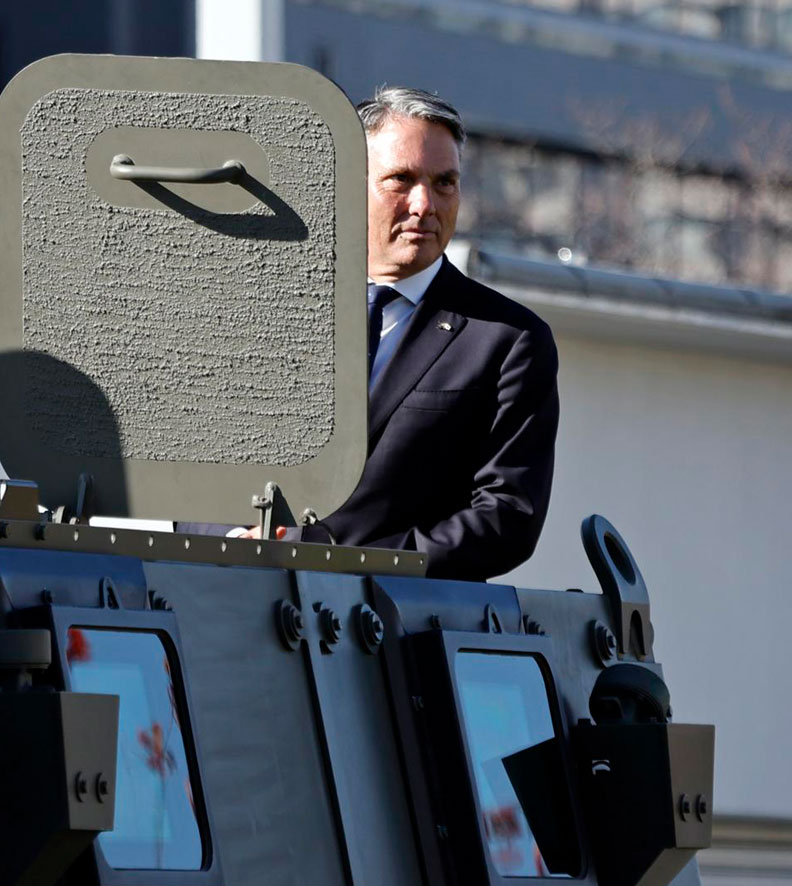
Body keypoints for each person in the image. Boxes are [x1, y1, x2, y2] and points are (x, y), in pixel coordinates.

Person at [189, 87, 559, 581]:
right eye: (401, 180)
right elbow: (193, 474)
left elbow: (507, 516)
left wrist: (361, 564)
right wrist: (232, 539)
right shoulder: (263, 315)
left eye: (444, 182)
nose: (424, 203)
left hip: (395, 631)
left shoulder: (507, 340)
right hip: (242, 607)